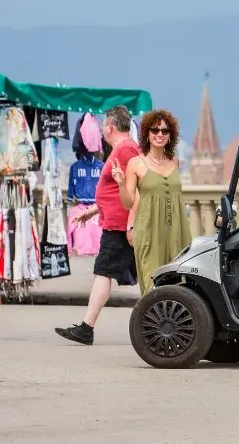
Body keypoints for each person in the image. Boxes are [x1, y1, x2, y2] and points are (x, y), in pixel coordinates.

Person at [55, 106, 141, 345]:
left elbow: (135, 189)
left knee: (103, 273)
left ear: (110, 127)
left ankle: (86, 328)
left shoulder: (125, 150)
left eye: (103, 124)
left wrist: (130, 225)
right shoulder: (122, 149)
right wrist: (93, 211)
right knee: (139, 275)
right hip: (117, 222)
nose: (102, 129)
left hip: (119, 227)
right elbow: (114, 192)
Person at [117, 109, 191, 295]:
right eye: (155, 130)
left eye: (165, 131)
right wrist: (121, 184)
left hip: (176, 231)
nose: (160, 134)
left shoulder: (175, 162)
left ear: (170, 135)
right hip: (148, 232)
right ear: (146, 133)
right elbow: (128, 203)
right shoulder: (136, 163)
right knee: (152, 285)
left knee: (178, 284)